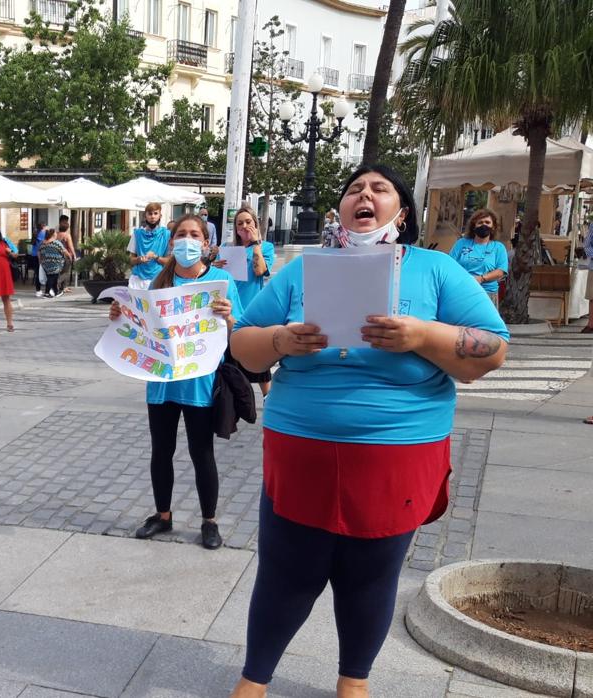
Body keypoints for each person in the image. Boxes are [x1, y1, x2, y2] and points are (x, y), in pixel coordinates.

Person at [227, 165, 509, 698]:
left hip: (396, 453)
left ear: (401, 213)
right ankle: (254, 677)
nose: (365, 195)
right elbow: (243, 345)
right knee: (286, 569)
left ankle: (353, 680)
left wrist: (422, 334)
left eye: (380, 189)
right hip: (301, 448)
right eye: (355, 189)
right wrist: (283, 341)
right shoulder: (302, 270)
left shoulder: (435, 271)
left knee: (372, 574)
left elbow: (491, 351)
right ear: (340, 210)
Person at [113, 214, 238, 550]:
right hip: (162, 384)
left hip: (200, 384)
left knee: (202, 453)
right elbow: (143, 328)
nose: (187, 240)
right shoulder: (159, 284)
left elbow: (239, 334)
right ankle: (162, 515)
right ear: (171, 243)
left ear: (205, 242)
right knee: (161, 451)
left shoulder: (221, 282)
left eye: (194, 234)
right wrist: (120, 315)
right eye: (181, 234)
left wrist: (228, 317)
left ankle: (209, 521)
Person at [217, 208, 276, 397]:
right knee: (231, 356)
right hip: (230, 308)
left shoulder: (265, 247)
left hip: (252, 309)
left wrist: (257, 243)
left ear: (256, 224)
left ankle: (269, 399)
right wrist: (214, 265)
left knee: (257, 360)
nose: (244, 226)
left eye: (248, 222)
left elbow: (260, 271)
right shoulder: (228, 249)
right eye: (240, 223)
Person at [448, 209, 509, 309]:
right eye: (480, 222)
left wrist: (481, 279)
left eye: (487, 222)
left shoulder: (498, 247)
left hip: (487, 294)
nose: (484, 225)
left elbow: (501, 271)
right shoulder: (462, 243)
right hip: (462, 292)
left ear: (493, 227)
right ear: (474, 226)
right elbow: (450, 264)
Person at [39, 231, 69, 298]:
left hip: (45, 264)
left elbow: (39, 252)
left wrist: (40, 261)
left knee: (53, 277)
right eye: (55, 234)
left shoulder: (43, 243)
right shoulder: (57, 243)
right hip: (55, 263)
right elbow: (64, 251)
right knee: (51, 277)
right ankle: (47, 293)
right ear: (52, 235)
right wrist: (69, 256)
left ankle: (56, 292)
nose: (56, 235)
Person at [31, 225, 49, 297]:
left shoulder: (36, 233)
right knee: (46, 273)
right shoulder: (43, 233)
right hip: (41, 256)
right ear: (43, 227)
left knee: (37, 273)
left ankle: (38, 290)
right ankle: (47, 290)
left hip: (33, 255)